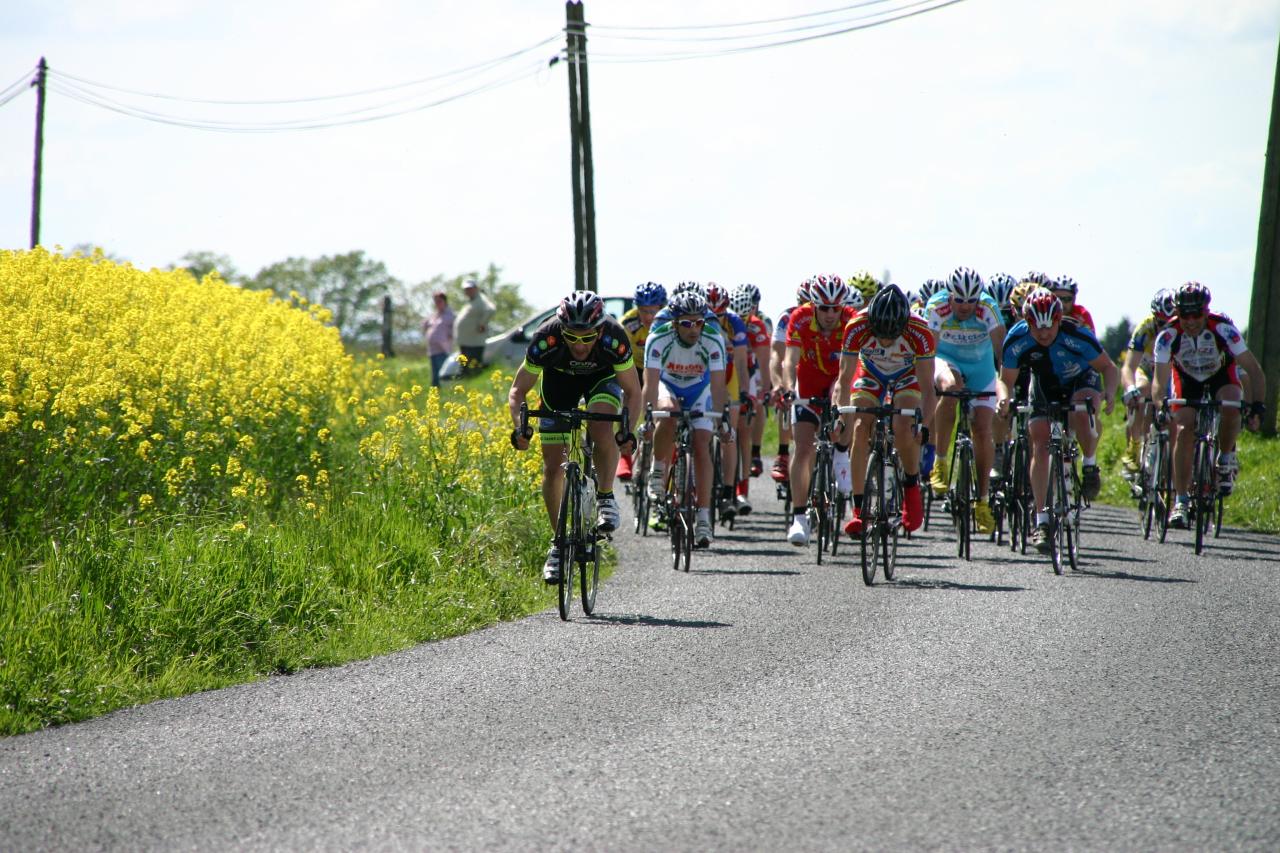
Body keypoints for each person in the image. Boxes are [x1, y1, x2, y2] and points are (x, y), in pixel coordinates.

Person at [508, 291, 640, 582]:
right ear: (561, 329)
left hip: (601, 380)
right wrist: (520, 427)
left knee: (600, 426)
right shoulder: (546, 338)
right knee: (553, 468)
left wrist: (627, 430)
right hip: (559, 384)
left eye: (587, 337)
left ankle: (605, 496)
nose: (579, 345)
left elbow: (633, 391)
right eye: (572, 337)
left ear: (599, 330)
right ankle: (558, 543)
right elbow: (518, 390)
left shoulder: (614, 337)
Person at [998, 289, 1120, 554]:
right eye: (1037, 328)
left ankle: (1089, 465)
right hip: (1044, 385)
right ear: (1027, 322)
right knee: (1039, 441)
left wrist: (1110, 392)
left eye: (1049, 328)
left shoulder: (1076, 334)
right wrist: (1004, 399)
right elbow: (1005, 381)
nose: (1043, 334)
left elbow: (1109, 368)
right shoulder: (1016, 338)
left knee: (1083, 410)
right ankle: (1042, 521)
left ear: (1058, 320)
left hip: (1081, 381)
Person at [1151, 281, 1266, 528]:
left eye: (1197, 314)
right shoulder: (1168, 335)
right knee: (1184, 428)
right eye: (1185, 315)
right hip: (1187, 378)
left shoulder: (1223, 328)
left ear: (1206, 311)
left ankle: (1225, 458)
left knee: (1232, 405)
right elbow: (1159, 382)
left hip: (1220, 374)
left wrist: (1257, 405)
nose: (1191, 321)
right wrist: (1160, 405)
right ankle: (1181, 501)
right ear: (1177, 312)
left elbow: (1254, 370)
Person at [836, 284, 937, 536]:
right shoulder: (856, 326)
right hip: (870, 372)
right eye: (880, 334)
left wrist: (924, 426)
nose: (885, 341)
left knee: (903, 428)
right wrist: (840, 416)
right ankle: (858, 511)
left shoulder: (920, 331)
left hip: (907, 375)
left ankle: (911, 485)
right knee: (860, 426)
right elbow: (844, 379)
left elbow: (928, 388)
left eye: (892, 336)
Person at [642, 289, 729, 548]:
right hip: (667, 386)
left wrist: (722, 421)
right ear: (674, 323)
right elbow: (650, 384)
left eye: (699, 322)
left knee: (702, 442)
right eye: (687, 323)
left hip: (699, 390)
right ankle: (658, 470)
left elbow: (718, 386)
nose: (694, 329)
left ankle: (703, 518)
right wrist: (647, 418)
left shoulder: (713, 339)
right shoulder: (658, 337)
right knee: (668, 414)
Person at [923, 267, 1006, 535]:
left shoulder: (988, 308)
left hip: (981, 368)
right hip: (947, 360)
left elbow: (1002, 353)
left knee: (982, 429)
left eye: (971, 300)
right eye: (959, 300)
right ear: (949, 295)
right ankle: (940, 461)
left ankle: (982, 501)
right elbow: (927, 354)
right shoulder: (936, 307)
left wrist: (1005, 387)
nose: (965, 306)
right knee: (951, 388)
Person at [780, 275, 858, 546]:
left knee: (845, 396)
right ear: (814, 305)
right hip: (809, 383)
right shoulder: (800, 318)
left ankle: (841, 451)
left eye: (835, 308)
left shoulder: (851, 319)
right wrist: (788, 389)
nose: (830, 314)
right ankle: (799, 518)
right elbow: (789, 360)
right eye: (824, 308)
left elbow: (854, 365)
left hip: (839, 379)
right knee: (803, 448)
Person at [1119, 288, 1176, 475]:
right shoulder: (1146, 328)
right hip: (1146, 371)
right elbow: (1129, 367)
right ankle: (1135, 446)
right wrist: (1130, 388)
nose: (1166, 328)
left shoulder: (1184, 330)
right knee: (1141, 391)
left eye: (1172, 322)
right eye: (1161, 323)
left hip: (1168, 375)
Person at [616, 281, 667, 481]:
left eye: (653, 311)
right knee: (629, 400)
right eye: (643, 310)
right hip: (635, 367)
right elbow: (621, 356)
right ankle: (625, 455)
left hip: (661, 368)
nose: (648, 316)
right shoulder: (628, 324)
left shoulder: (668, 321)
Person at [769, 278, 813, 483]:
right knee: (786, 398)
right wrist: (778, 384)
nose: (807, 308)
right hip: (792, 366)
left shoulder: (827, 318)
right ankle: (783, 453)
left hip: (815, 368)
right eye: (803, 302)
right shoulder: (787, 318)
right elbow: (776, 355)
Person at [454, 278, 496, 375]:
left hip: (474, 343)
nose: (468, 291)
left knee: (473, 369)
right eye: (466, 289)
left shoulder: (481, 300)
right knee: (465, 369)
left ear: (476, 288)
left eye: (470, 288)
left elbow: (491, 310)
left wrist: (482, 324)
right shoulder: (472, 301)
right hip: (466, 342)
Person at [422, 290, 455, 387]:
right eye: (436, 301)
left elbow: (454, 330)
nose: (437, 303)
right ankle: (436, 393)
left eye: (439, 301)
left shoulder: (450, 315)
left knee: (443, 376)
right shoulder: (434, 315)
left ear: (445, 301)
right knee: (435, 378)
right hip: (432, 351)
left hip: (443, 350)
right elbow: (425, 324)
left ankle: (446, 393)